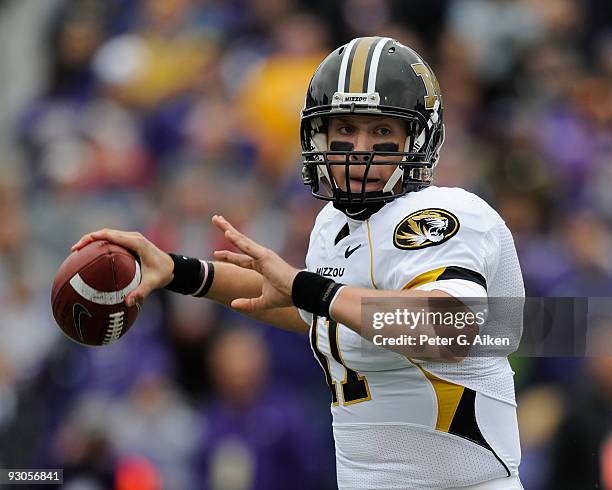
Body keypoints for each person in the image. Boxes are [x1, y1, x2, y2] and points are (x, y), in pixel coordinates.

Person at [73, 37, 525, 490]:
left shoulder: (447, 215)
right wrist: (178, 271)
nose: (358, 149)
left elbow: (446, 330)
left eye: (381, 131)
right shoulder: (333, 224)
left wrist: (313, 290)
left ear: (419, 138)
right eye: (344, 129)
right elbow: (317, 309)